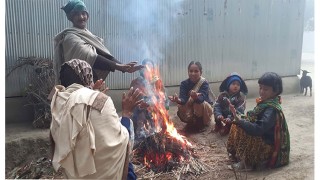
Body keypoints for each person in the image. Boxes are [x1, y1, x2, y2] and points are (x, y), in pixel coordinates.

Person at [49, 59, 144, 179]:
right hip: (106, 175)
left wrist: (93, 93)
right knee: (125, 134)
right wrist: (127, 112)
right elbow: (119, 141)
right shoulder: (100, 99)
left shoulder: (57, 103)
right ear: (88, 77)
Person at [53, 0, 144, 84]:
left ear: (87, 15)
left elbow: (103, 53)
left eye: (83, 13)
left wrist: (124, 67)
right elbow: (91, 56)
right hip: (75, 84)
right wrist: (118, 66)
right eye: (76, 14)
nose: (81, 17)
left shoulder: (88, 35)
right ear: (71, 18)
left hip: (88, 84)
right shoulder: (70, 37)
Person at [226, 72, 290, 170]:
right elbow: (252, 119)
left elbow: (259, 128)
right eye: (260, 88)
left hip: (268, 146)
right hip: (263, 137)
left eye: (266, 89)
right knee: (237, 124)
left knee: (243, 128)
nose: (261, 92)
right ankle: (239, 156)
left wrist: (241, 121)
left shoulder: (271, 109)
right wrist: (237, 116)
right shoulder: (265, 103)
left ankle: (249, 163)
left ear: (275, 91)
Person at [130, 59, 169, 144]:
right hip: (141, 112)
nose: (148, 70)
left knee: (161, 115)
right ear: (142, 69)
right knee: (142, 114)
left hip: (155, 111)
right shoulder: (136, 82)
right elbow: (136, 99)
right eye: (146, 68)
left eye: (150, 67)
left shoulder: (158, 82)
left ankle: (159, 135)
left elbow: (165, 100)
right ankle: (140, 138)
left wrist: (161, 103)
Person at [168, 61, 214, 131]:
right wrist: (177, 100)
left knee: (198, 104)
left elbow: (201, 99)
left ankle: (200, 124)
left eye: (196, 71)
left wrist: (195, 97)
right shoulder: (184, 84)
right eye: (191, 71)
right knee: (180, 105)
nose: (193, 73)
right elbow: (183, 100)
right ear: (188, 72)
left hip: (205, 110)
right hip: (191, 109)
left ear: (201, 72)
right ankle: (190, 122)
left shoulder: (204, 83)